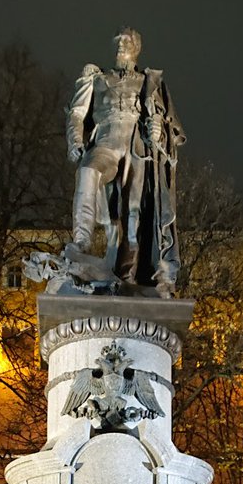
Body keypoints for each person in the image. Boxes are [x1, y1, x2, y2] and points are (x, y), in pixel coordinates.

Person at [66, 28, 185, 296]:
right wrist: (75, 140)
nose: (121, 45)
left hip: (136, 146)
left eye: (127, 41)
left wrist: (158, 132)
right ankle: (81, 242)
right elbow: (76, 113)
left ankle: (127, 275)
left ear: (136, 48)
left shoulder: (149, 82)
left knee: (134, 212)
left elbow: (168, 128)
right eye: (118, 41)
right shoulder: (96, 79)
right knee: (87, 171)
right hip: (105, 142)